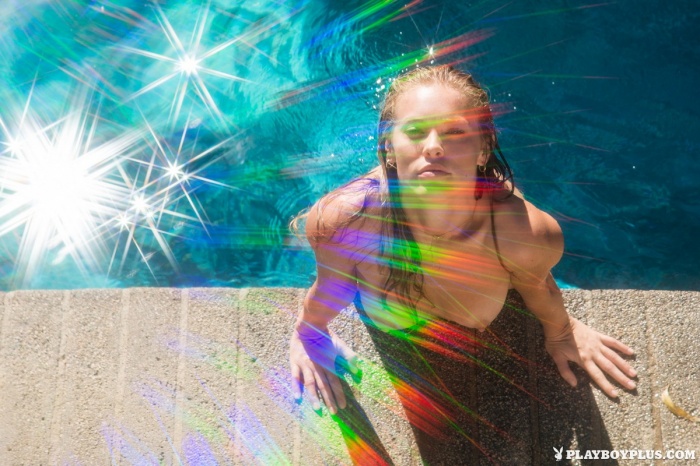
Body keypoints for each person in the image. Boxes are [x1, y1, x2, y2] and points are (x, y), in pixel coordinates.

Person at [289, 65, 637, 461]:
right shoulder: (347, 221)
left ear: (483, 149)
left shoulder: (521, 233)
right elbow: (331, 287)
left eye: (455, 132)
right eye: (415, 131)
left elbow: (538, 285)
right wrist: (308, 333)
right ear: (388, 146)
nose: (433, 147)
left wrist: (562, 331)